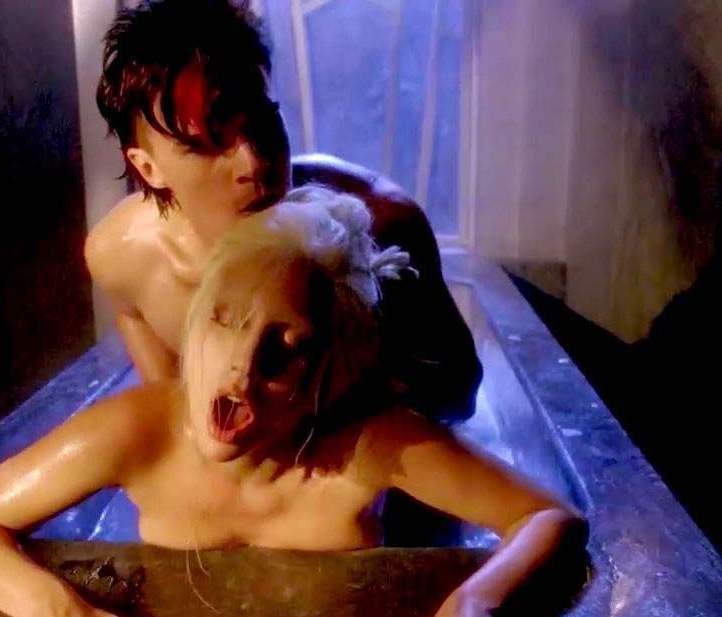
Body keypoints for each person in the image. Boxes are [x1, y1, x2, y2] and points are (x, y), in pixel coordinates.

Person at [0, 188, 585, 617]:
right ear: (195, 318)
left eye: (285, 347)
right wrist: (47, 603)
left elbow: (546, 516)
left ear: (327, 373)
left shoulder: (370, 443)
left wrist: (471, 606)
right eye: (225, 320)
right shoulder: (138, 430)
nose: (242, 366)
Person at [85, 0, 482, 423]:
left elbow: (459, 395)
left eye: (262, 121)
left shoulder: (383, 228)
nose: (255, 163)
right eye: (209, 144)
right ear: (149, 168)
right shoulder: (125, 257)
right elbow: (178, 422)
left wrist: (364, 369)